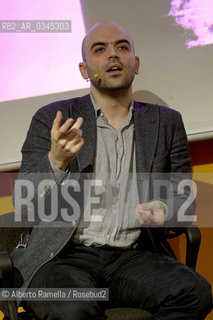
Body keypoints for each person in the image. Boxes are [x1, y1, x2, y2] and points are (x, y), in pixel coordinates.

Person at [11, 21, 212, 319]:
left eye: (122, 47)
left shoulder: (166, 122)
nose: (113, 55)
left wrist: (164, 209)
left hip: (133, 256)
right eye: (100, 49)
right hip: (65, 257)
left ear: (136, 63)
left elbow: (184, 199)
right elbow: (25, 204)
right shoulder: (52, 118)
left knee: (194, 293)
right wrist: (56, 161)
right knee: (72, 308)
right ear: (84, 69)